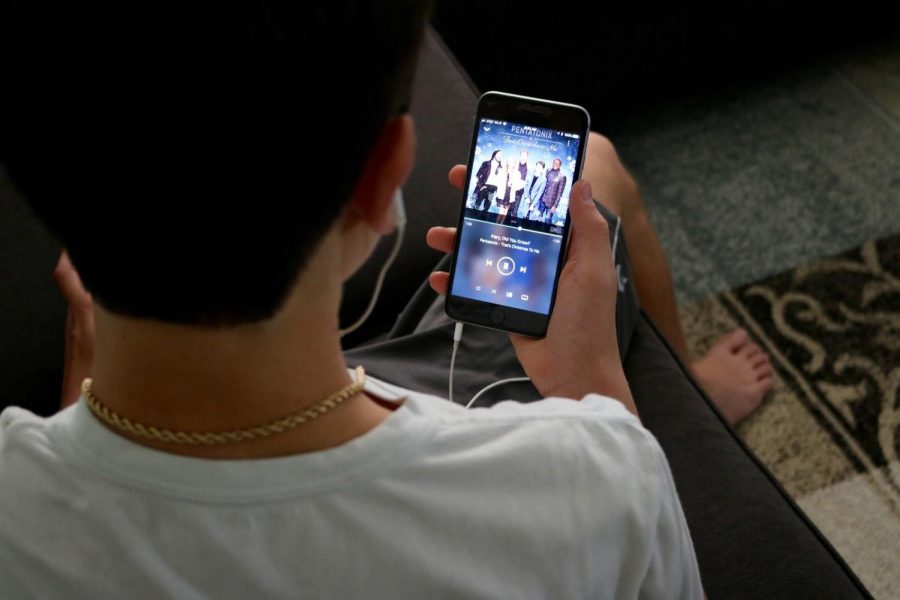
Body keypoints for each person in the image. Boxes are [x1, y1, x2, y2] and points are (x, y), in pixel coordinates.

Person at [0, 0, 784, 597]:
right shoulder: (593, 478)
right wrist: (596, 396)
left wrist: (86, 382)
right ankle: (692, 386)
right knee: (596, 172)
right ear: (386, 180)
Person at [538, 157, 568, 222]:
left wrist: (555, 205)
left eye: (557, 163)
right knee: (537, 218)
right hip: (543, 199)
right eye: (554, 163)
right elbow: (544, 184)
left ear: (560, 165)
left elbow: (560, 193)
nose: (555, 164)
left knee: (547, 221)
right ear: (553, 163)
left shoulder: (562, 176)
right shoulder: (548, 170)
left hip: (551, 203)